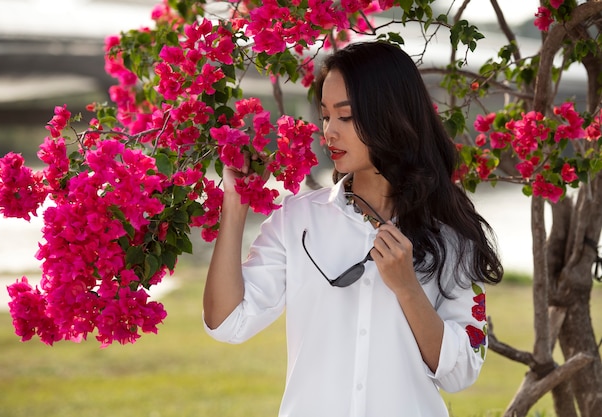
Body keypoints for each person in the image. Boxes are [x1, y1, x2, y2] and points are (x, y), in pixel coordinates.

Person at [203, 41, 503, 417]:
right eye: (326, 116)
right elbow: (226, 322)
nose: (329, 131)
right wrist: (236, 204)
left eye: (345, 117)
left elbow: (461, 373)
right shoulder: (296, 220)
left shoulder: (451, 234)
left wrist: (407, 288)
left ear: (390, 115)